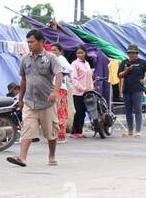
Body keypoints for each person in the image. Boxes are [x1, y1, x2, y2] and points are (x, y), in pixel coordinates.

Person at [8, 29, 64, 167]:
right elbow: (23, 80)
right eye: (28, 42)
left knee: (51, 132)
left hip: (47, 102)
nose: (29, 44)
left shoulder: (51, 58)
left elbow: (59, 74)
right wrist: (20, 100)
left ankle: (51, 156)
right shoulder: (25, 59)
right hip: (29, 102)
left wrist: (56, 91)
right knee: (27, 129)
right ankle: (22, 158)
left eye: (32, 42)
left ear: (41, 42)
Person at [119, 44, 146, 137]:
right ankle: (130, 131)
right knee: (128, 110)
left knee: (138, 110)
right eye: (130, 53)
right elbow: (120, 75)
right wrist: (126, 71)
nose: (131, 55)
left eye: (133, 53)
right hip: (126, 90)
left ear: (137, 53)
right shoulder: (124, 62)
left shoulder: (142, 62)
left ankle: (138, 131)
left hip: (137, 89)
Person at [69, 46, 94, 137]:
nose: (80, 54)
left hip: (87, 92)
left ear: (85, 53)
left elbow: (90, 77)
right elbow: (74, 79)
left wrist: (91, 88)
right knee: (79, 111)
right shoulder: (74, 64)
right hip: (78, 92)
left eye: (82, 52)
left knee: (84, 111)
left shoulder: (87, 63)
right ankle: (75, 132)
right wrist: (82, 88)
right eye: (78, 53)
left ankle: (79, 131)